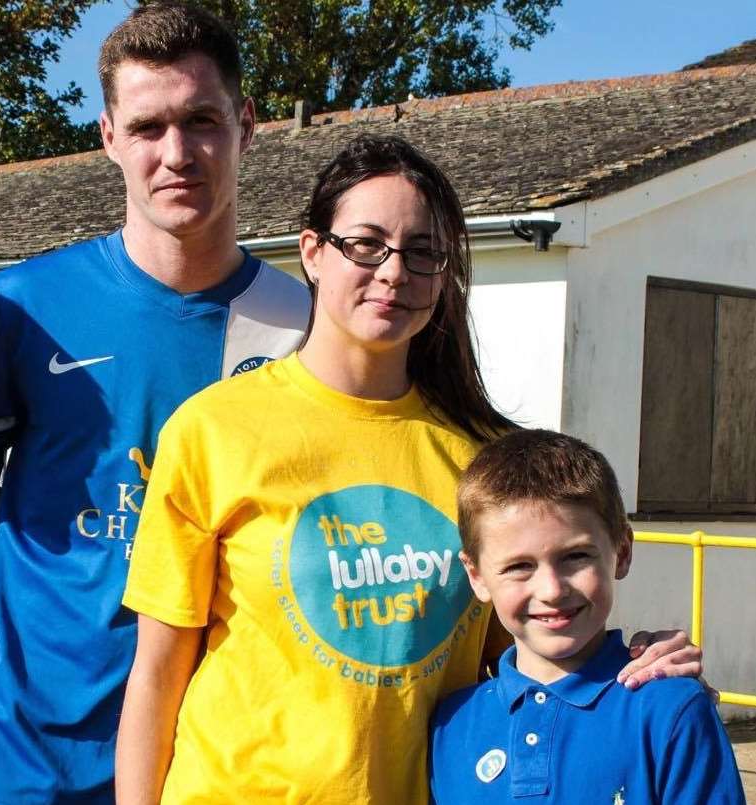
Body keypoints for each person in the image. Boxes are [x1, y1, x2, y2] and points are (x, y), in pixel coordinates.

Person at [116, 136, 706, 804]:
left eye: (421, 251)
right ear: (312, 252)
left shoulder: (484, 454)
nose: (394, 271)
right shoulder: (211, 429)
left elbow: (529, 651)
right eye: (364, 244)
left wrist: (645, 668)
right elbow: (157, 674)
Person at [0, 4, 310, 803]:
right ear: (107, 136)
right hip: (28, 756)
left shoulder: (305, 324)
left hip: (219, 757)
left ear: (245, 124)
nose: (176, 153)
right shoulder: (26, 306)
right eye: (147, 127)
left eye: (201, 120)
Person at [429, 429, 743, 804]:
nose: (551, 590)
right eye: (519, 566)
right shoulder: (451, 724)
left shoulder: (671, 710)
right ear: (477, 577)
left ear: (622, 552)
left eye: (576, 556)